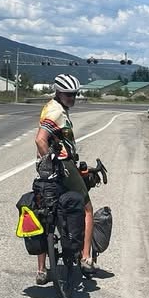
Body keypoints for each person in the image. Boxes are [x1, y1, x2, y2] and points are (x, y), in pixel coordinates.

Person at [34, 73, 95, 285]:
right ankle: (86, 257)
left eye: (74, 94)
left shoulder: (51, 106)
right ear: (59, 92)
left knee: (45, 211)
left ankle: (41, 270)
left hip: (47, 168)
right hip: (61, 166)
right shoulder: (56, 111)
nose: (72, 98)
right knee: (87, 207)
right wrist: (53, 165)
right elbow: (40, 140)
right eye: (69, 94)